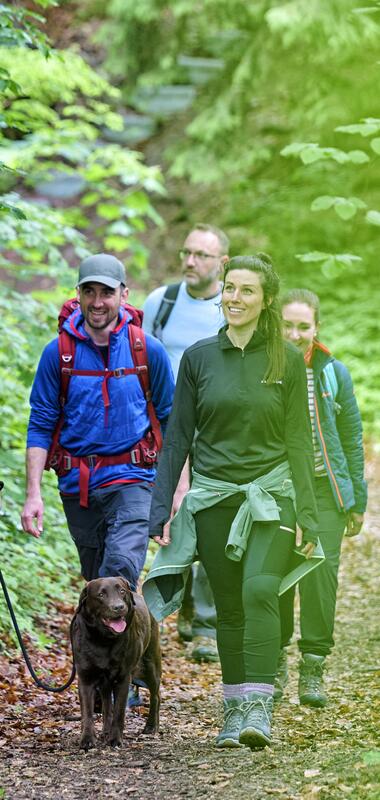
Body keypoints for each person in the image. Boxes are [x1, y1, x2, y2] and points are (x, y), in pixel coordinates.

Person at [143, 254, 320, 750]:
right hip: (215, 497)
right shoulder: (198, 358)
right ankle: (234, 707)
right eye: (230, 288)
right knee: (229, 607)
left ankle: (260, 709)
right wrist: (162, 507)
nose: (235, 298)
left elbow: (300, 442)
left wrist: (306, 511)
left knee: (261, 589)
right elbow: (177, 437)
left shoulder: (285, 358)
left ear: (266, 300)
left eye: (247, 290)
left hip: (273, 495)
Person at [21, 253, 175, 595]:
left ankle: (123, 649)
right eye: (89, 292)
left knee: (118, 573)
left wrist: (177, 491)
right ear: (78, 294)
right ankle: (118, 641)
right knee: (97, 584)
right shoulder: (58, 353)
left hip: (134, 480)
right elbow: (41, 423)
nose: (97, 302)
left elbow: (171, 421)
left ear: (124, 294)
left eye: (106, 292)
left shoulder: (147, 351)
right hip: (79, 486)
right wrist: (33, 494)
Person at [276, 288, 367, 707]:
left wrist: (356, 500)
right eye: (287, 324)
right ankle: (273, 661)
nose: (294, 334)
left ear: (317, 327)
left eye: (303, 326)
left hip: (325, 490)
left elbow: (350, 439)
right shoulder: (263, 367)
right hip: (276, 490)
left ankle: (313, 666)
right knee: (274, 575)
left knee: (320, 577)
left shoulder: (334, 373)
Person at [143, 223, 229, 662]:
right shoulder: (162, 301)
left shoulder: (229, 307)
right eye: (187, 253)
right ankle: (172, 604)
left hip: (215, 428)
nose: (190, 262)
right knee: (172, 514)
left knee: (210, 514)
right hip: (163, 427)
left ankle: (204, 619)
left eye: (202, 255)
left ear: (222, 264)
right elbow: (137, 356)